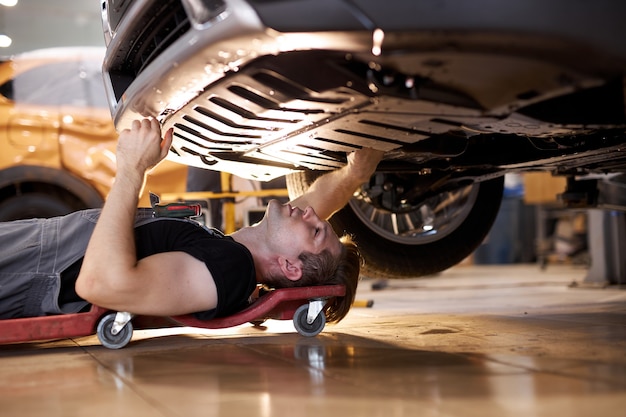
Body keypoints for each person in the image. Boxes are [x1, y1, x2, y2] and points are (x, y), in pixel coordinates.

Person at [0, 119, 383, 323]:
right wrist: (354, 176)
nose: (312, 213)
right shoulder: (228, 250)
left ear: (288, 267)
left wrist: (133, 171)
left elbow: (101, 285)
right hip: (31, 253)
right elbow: (319, 201)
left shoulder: (231, 270)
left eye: (316, 231)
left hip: (25, 273)